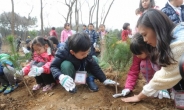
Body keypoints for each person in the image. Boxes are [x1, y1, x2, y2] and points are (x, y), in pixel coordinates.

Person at [122, 9, 184, 103]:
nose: (145, 40)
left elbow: (163, 77)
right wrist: (128, 87)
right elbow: (134, 71)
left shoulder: (177, 46)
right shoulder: (179, 30)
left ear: (156, 28)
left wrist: (139, 96)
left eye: (145, 34)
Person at [50, 33, 118, 93]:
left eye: (87, 52)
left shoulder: (86, 48)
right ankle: (70, 84)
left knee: (94, 59)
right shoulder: (63, 51)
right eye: (83, 54)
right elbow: (53, 66)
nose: (86, 55)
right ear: (72, 52)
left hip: (84, 70)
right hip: (73, 72)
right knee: (66, 64)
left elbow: (94, 65)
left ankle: (89, 79)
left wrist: (104, 79)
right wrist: (61, 77)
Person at [119, 33, 170, 99]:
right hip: (152, 82)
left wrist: (163, 86)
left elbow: (168, 70)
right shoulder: (138, 56)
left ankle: (167, 89)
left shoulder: (157, 52)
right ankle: (151, 85)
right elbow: (133, 71)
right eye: (135, 54)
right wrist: (128, 87)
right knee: (144, 64)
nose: (137, 56)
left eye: (139, 53)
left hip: (166, 80)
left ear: (146, 48)